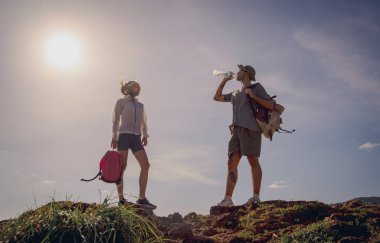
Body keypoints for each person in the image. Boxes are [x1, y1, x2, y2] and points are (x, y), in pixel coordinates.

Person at [213, 65, 275, 207]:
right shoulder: (235, 93)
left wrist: (253, 97)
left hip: (251, 129)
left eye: (240, 70)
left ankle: (255, 197)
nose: (237, 72)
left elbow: (271, 105)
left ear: (246, 73)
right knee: (231, 162)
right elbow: (217, 97)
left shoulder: (256, 88)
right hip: (236, 130)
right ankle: (227, 199)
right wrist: (224, 81)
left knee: (253, 160)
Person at [111, 81, 156, 209]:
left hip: (136, 137)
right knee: (122, 166)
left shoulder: (140, 105)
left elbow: (143, 120)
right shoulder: (121, 102)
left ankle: (142, 198)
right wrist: (114, 137)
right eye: (135, 86)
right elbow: (115, 120)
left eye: (139, 87)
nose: (137, 88)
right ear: (129, 88)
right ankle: (121, 199)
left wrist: (145, 135)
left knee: (145, 165)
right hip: (123, 136)